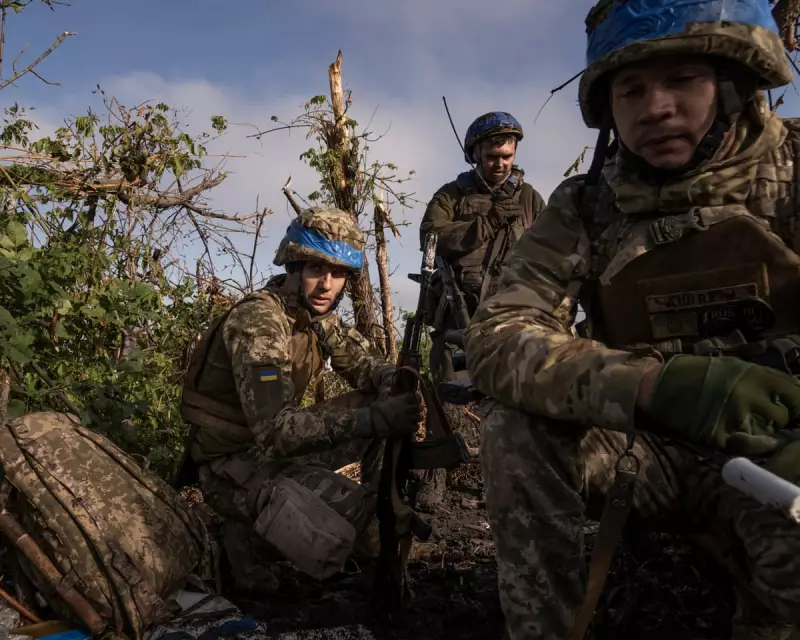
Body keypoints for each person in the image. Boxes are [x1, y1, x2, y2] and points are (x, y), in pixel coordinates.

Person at [464, 0, 800, 638]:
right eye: (632, 89)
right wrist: (651, 387)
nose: (655, 108)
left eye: (681, 81)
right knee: (515, 429)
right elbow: (497, 337)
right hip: (647, 455)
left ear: (732, 83)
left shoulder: (793, 172)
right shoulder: (587, 205)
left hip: (780, 457)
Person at [178, 207, 423, 582]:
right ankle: (243, 541)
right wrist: (374, 419)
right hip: (230, 465)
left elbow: (365, 364)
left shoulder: (316, 318)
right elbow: (276, 432)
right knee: (359, 531)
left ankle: (370, 507)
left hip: (272, 448)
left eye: (338, 273)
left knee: (377, 514)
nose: (327, 284)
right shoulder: (259, 323)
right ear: (294, 268)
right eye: (315, 270)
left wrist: (393, 380)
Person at [420, 111, 545, 384]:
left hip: (518, 326)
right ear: (476, 153)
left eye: (507, 157)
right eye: (492, 157)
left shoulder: (530, 199)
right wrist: (486, 224)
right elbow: (429, 237)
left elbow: (552, 255)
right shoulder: (450, 196)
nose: (500, 164)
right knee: (455, 412)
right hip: (458, 326)